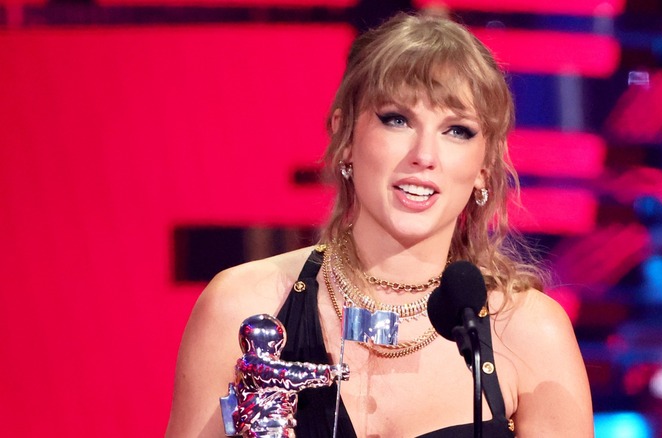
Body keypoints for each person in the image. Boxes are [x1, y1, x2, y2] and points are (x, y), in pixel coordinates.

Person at [166, 12, 593, 438]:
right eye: (397, 119)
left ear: (485, 166)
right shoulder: (243, 308)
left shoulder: (531, 334)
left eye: (457, 130)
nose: (424, 154)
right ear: (346, 135)